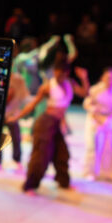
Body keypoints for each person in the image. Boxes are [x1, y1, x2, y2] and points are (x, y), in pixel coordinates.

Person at [11, 58, 90, 193]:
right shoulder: (48, 86)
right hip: (45, 124)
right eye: (57, 74)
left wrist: (84, 78)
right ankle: (30, 185)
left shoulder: (70, 83)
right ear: (54, 72)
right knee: (41, 156)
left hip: (57, 124)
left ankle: (63, 182)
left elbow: (85, 93)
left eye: (62, 74)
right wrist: (17, 116)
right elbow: (33, 104)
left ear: (67, 73)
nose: (59, 77)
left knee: (62, 154)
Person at [82, 68, 112, 181]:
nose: (111, 80)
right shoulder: (96, 89)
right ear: (102, 78)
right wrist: (96, 115)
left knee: (110, 147)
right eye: (108, 78)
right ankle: (90, 172)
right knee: (94, 146)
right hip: (96, 118)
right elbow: (87, 104)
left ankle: (107, 173)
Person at [0, 70, 28, 171]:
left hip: (12, 114)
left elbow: (22, 96)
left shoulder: (18, 80)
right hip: (0, 113)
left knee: (16, 137)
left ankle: (17, 160)